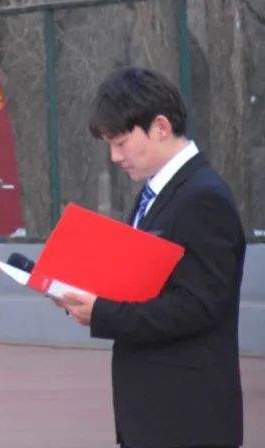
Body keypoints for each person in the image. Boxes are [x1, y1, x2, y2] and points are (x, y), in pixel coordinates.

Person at [58, 66, 245, 448]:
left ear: (160, 127)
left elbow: (199, 305)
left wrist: (103, 313)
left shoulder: (202, 198)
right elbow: (146, 284)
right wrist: (85, 292)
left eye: (121, 143)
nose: (114, 157)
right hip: (155, 412)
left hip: (186, 415)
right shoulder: (156, 193)